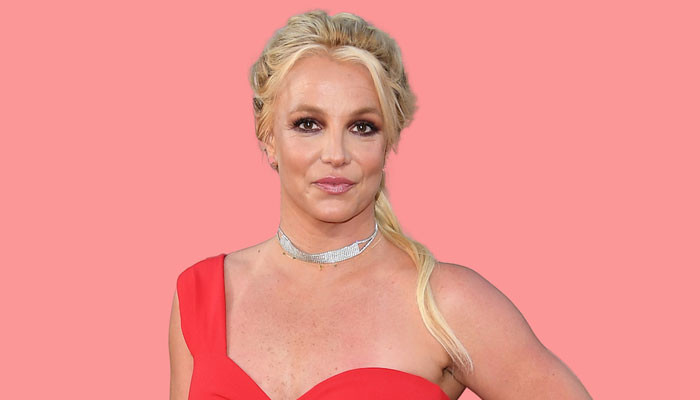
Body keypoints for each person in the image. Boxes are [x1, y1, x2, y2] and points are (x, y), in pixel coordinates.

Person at [169, 9, 592, 400]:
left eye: (362, 127)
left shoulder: (444, 304)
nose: (336, 154)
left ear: (387, 141)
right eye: (308, 124)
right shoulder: (203, 295)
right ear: (268, 138)